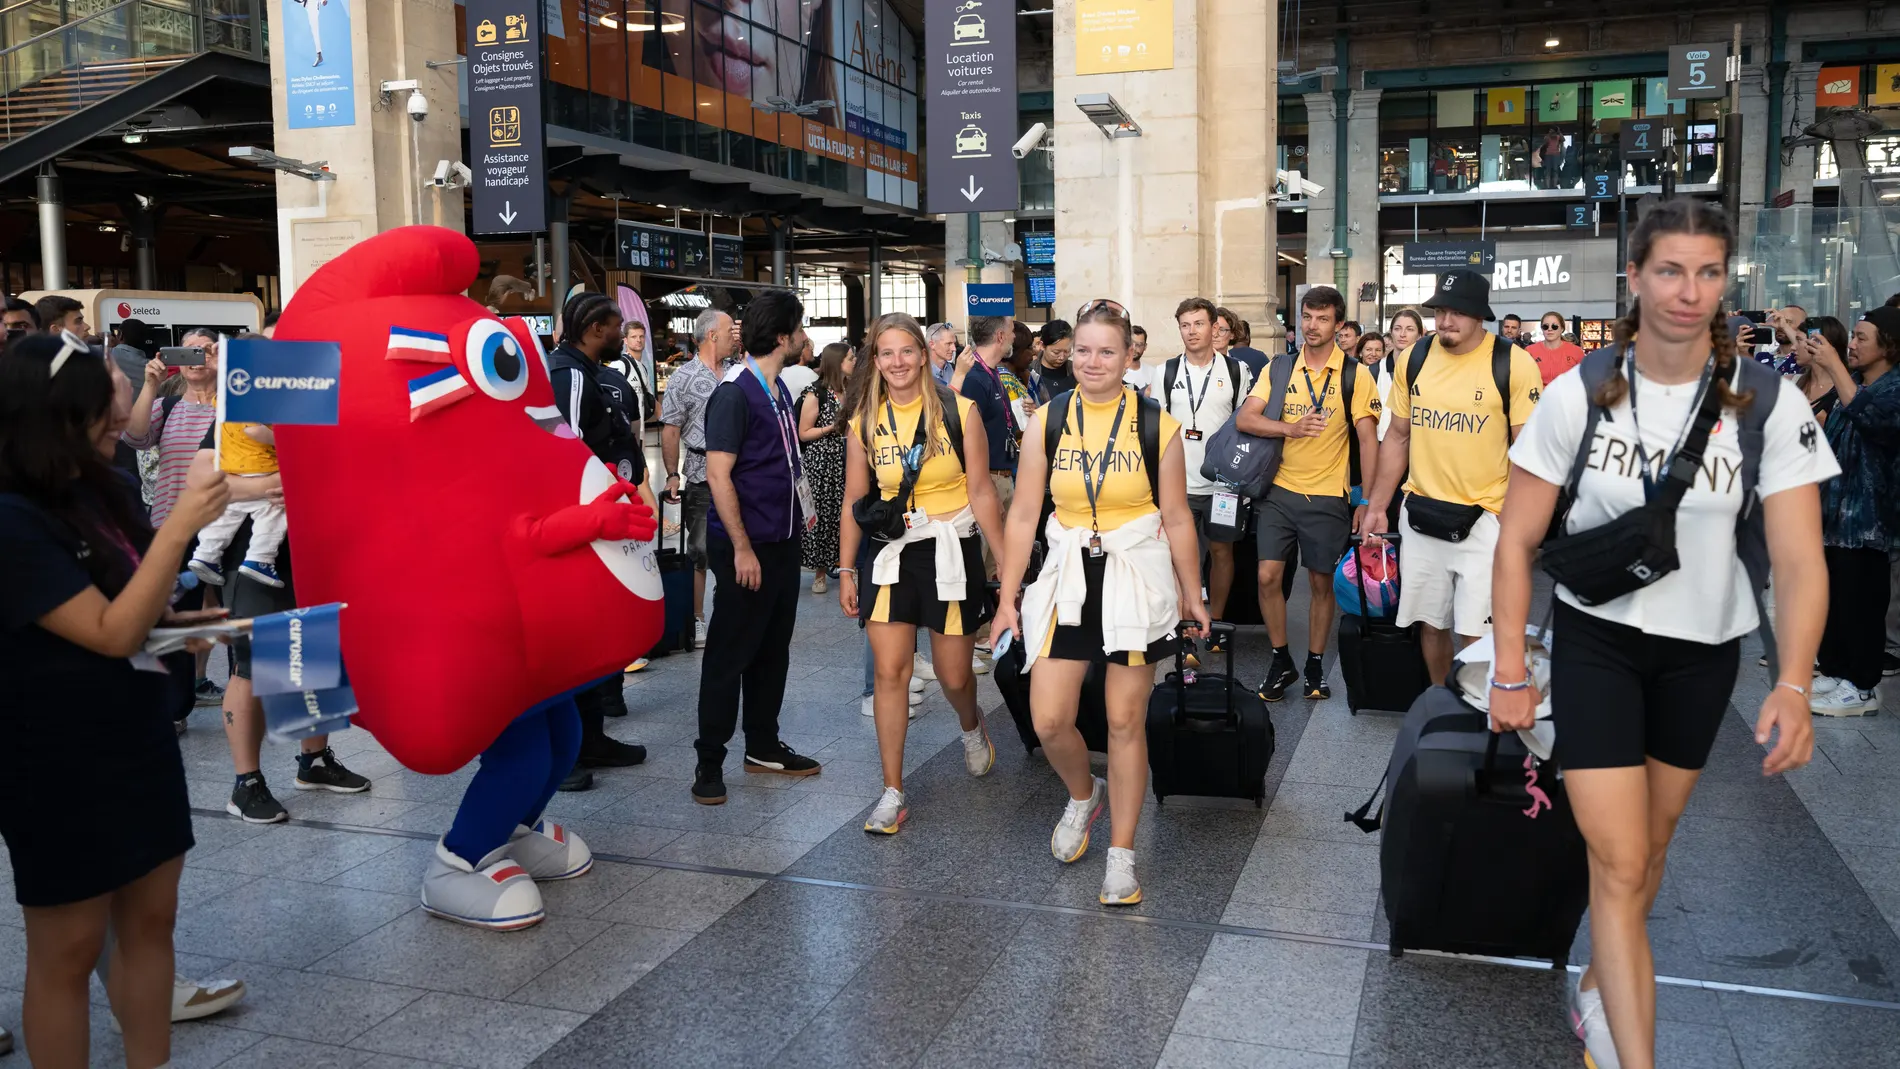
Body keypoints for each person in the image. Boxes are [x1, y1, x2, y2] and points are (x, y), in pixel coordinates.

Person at [1490, 197, 1833, 1069]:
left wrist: (1793, 681)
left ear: (1726, 281)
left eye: (1708, 271)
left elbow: (1797, 561)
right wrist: (1506, 666)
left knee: (1652, 848)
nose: (1689, 291)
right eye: (1670, 270)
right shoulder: (1580, 391)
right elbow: (1518, 538)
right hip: (1598, 639)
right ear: (1635, 277)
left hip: (1702, 654)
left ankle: (1606, 976)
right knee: (1619, 857)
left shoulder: (1765, 401)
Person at [0, 330, 232, 1068]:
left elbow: (133, 607)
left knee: (152, 921)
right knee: (66, 948)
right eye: (101, 411)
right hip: (52, 753)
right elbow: (105, 630)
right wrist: (186, 525)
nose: (118, 424)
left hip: (136, 733)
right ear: (51, 417)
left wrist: (184, 622)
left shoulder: (101, 488)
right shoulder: (10, 517)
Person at [991, 298, 1209, 907]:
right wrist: (1008, 599)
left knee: (1122, 721)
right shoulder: (1048, 421)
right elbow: (1025, 514)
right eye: (1082, 349)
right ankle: (1083, 795)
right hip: (1067, 578)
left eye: (1106, 350)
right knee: (1050, 719)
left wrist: (1195, 596)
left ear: (1127, 355)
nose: (1092, 361)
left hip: (1135, 578)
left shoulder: (1154, 425)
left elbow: (1177, 518)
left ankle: (1122, 853)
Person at [838, 313, 1008, 833]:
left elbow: (981, 490)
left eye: (906, 351)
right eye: (885, 353)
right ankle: (892, 790)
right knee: (891, 673)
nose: (897, 363)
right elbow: (853, 498)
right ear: (875, 360)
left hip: (950, 550)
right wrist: (847, 568)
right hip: (890, 554)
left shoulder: (960, 410)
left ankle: (969, 722)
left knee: (956, 675)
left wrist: (1006, 565)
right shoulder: (864, 417)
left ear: (924, 352)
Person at [189, 349, 370, 824]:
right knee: (251, 664)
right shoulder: (239, 407)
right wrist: (282, 481)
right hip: (252, 557)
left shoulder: (315, 409)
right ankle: (246, 782)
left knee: (312, 648)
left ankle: (313, 761)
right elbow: (204, 478)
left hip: (311, 548)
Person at [1361, 269, 1540, 684]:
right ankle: (1443, 703)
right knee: (1431, 623)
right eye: (1441, 311)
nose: (1446, 322)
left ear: (1481, 316)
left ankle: (1476, 718)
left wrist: (1520, 528)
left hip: (1486, 518)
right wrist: (1377, 506)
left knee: (1475, 632)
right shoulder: (1415, 358)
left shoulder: (1512, 363)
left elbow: (1528, 456)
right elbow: (1397, 437)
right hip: (1422, 514)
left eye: (1458, 312)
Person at [692, 289, 824, 804]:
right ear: (785, 336)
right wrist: (743, 549)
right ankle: (709, 759)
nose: (806, 337)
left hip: (782, 540)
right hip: (748, 545)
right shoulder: (735, 392)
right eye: (801, 329)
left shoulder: (777, 388)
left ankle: (763, 744)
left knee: (772, 650)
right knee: (730, 652)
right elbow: (720, 475)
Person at [1237, 285, 1382, 700]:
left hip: (1327, 496)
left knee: (1320, 583)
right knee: (1267, 576)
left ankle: (1315, 664)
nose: (1311, 326)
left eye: (1321, 319)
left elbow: (1368, 442)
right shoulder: (1280, 368)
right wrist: (1289, 428)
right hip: (1279, 491)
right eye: (1306, 317)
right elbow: (1247, 418)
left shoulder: (1355, 374)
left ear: (1339, 325)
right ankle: (1281, 659)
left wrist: (1367, 501)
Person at [1804, 308, 1900, 715]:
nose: (1852, 344)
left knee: (1862, 603)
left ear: (1889, 345)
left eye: (1862, 337)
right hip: (1836, 513)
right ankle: (1838, 671)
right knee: (1838, 599)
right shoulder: (1855, 383)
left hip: (1870, 519)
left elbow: (1876, 421)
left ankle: (1862, 688)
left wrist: (1835, 369)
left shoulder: (1891, 388)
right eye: (1853, 336)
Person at [1158, 296, 1252, 631]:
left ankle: (1217, 623)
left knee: (1222, 553)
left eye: (1199, 324)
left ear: (1214, 327)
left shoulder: (1236, 371)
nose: (1192, 331)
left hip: (1224, 483)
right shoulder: (1166, 371)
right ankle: (1185, 626)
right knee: (1182, 558)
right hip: (1179, 484)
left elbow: (1247, 422)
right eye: (1185, 325)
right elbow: (1158, 429)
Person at [660, 307, 736, 646]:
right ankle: (697, 618)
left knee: (738, 544)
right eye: (729, 330)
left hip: (739, 474)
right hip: (701, 474)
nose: (735, 336)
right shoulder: (683, 377)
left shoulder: (738, 374)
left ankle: (731, 611)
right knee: (700, 549)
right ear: (712, 335)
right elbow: (671, 429)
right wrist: (672, 474)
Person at [185, 417, 287, 587]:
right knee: (273, 514)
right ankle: (260, 559)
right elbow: (198, 479)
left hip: (233, 467)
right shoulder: (254, 402)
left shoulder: (228, 402)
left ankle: (205, 555)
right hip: (261, 466)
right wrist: (278, 482)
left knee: (227, 513)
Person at [960, 314, 1022, 577]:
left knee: (998, 564)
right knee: (985, 563)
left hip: (1004, 477)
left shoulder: (994, 372)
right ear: (999, 337)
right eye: (1010, 331)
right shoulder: (975, 379)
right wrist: (988, 488)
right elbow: (967, 439)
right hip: (989, 480)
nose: (1014, 337)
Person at [798, 341, 854, 594]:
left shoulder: (852, 390)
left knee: (845, 515)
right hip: (821, 463)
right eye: (850, 358)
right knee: (821, 516)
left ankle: (846, 566)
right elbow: (804, 433)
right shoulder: (815, 393)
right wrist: (832, 427)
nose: (853, 362)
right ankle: (820, 571)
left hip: (847, 459)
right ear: (837, 363)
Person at [1793, 315, 1847, 424]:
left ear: (1817, 342)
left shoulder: (1847, 389)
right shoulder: (1792, 382)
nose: (1793, 347)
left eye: (1799, 340)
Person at [1531, 310, 1587, 385]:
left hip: (1567, 395)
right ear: (1542, 329)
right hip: (1538, 395)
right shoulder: (1530, 351)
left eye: (1554, 326)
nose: (1549, 329)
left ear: (1562, 329)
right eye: (1545, 326)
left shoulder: (1576, 351)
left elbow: (1584, 379)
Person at [1029, 319, 1075, 401]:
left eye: (1067, 351)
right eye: (1056, 352)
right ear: (1043, 346)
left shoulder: (1076, 370)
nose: (1061, 357)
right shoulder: (1030, 373)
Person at [778, 334, 819, 399]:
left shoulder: (783, 371)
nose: (811, 348)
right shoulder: (808, 374)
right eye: (807, 345)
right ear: (801, 350)